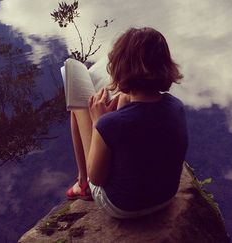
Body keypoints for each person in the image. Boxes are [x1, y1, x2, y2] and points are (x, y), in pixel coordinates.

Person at [65, 27, 188, 218]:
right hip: (166, 197)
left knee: (79, 106)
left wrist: (99, 122)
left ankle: (82, 183)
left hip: (123, 207)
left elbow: (97, 178)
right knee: (121, 104)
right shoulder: (176, 106)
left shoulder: (110, 124)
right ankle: (82, 181)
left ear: (119, 70)